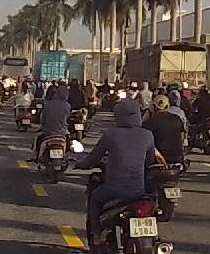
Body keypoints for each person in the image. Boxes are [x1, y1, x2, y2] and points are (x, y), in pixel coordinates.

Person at [76, 96, 160, 241]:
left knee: (95, 198)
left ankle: (96, 233)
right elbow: (149, 161)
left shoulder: (111, 134)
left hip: (114, 189)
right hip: (138, 190)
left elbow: (93, 158)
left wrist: (81, 164)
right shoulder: (147, 135)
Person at [31, 80, 72, 161]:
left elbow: (43, 118)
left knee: (38, 137)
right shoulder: (67, 106)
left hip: (48, 131)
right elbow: (67, 118)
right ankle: (67, 155)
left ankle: (36, 154)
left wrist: (43, 126)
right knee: (68, 139)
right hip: (62, 132)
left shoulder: (48, 104)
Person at [143, 94, 186, 164]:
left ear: (153, 107)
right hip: (177, 158)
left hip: (157, 160)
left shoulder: (149, 122)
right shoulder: (177, 119)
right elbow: (182, 137)